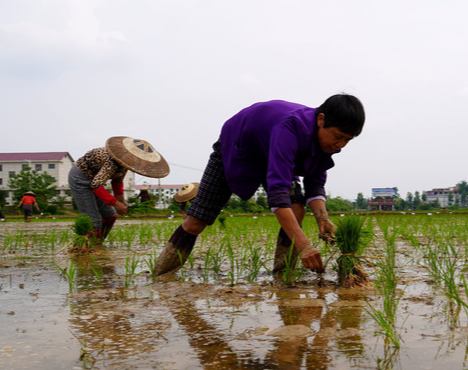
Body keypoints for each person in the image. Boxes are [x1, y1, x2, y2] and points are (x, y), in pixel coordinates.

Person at [154, 94, 365, 276]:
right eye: (338, 137)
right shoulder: (290, 128)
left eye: (348, 140)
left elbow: (316, 181)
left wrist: (323, 218)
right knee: (196, 222)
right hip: (239, 147)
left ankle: (283, 275)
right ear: (321, 120)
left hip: (274, 154)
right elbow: (277, 193)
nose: (341, 145)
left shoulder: (327, 143)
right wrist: (305, 246)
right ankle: (162, 275)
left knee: (297, 208)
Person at [68, 136, 169, 240]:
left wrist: (122, 201)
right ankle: (86, 248)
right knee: (93, 221)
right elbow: (96, 185)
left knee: (110, 215)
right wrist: (115, 203)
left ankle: (99, 242)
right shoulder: (111, 162)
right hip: (80, 179)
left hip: (95, 179)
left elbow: (117, 181)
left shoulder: (124, 163)